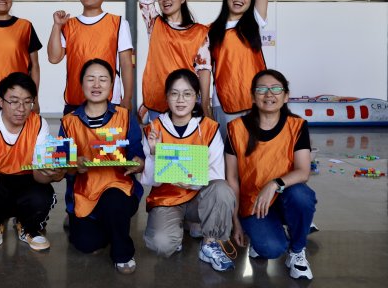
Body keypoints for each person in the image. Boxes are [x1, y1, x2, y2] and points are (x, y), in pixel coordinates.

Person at [225, 69, 316, 280]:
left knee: (302, 196)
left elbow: (303, 171)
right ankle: (262, 233)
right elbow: (232, 178)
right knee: (271, 249)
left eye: (276, 89)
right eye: (261, 89)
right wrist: (236, 222)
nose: (269, 94)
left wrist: (274, 184)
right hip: (253, 203)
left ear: (286, 96)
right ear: (252, 96)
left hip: (285, 195)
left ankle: (297, 251)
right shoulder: (236, 128)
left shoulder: (297, 126)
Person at [141, 69, 235, 271]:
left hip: (199, 197)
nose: (180, 100)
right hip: (168, 197)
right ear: (166, 96)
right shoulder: (154, 128)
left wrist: (192, 181)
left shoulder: (209, 128)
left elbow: (217, 174)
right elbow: (149, 180)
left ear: (197, 96)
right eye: (174, 93)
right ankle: (177, 229)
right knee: (162, 244)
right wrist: (155, 153)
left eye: (187, 94)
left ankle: (210, 243)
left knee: (222, 189)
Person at [59, 59, 145, 274]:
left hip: (119, 189)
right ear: (81, 83)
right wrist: (73, 165)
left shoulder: (125, 117)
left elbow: (137, 152)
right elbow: (62, 165)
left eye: (103, 79)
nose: (96, 85)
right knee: (86, 244)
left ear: (112, 84)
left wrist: (138, 162)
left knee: (113, 201)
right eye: (91, 79)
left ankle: (123, 254)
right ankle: (102, 224)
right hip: (84, 193)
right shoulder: (68, 121)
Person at [120, 0, 212, 121]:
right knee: (157, 142)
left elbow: (204, 70)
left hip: (186, 102)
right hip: (156, 101)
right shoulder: (154, 23)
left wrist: (205, 104)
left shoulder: (200, 32)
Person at [0, 72, 63, 260]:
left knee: (43, 193)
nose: (21, 108)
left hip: (27, 181)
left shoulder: (38, 124)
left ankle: (27, 227)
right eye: (14, 101)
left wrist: (54, 173)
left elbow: (39, 175)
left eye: (27, 102)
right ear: (0, 102)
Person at [208, 0, 292, 139]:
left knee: (254, 147)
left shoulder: (254, 21)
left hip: (256, 99)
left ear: (251, 1)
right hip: (223, 100)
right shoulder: (211, 30)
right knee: (228, 148)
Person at [47, 0, 134, 115]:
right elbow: (54, 58)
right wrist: (57, 26)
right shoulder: (68, 25)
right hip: (75, 101)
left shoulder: (118, 23)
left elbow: (126, 64)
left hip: (109, 102)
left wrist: (127, 98)